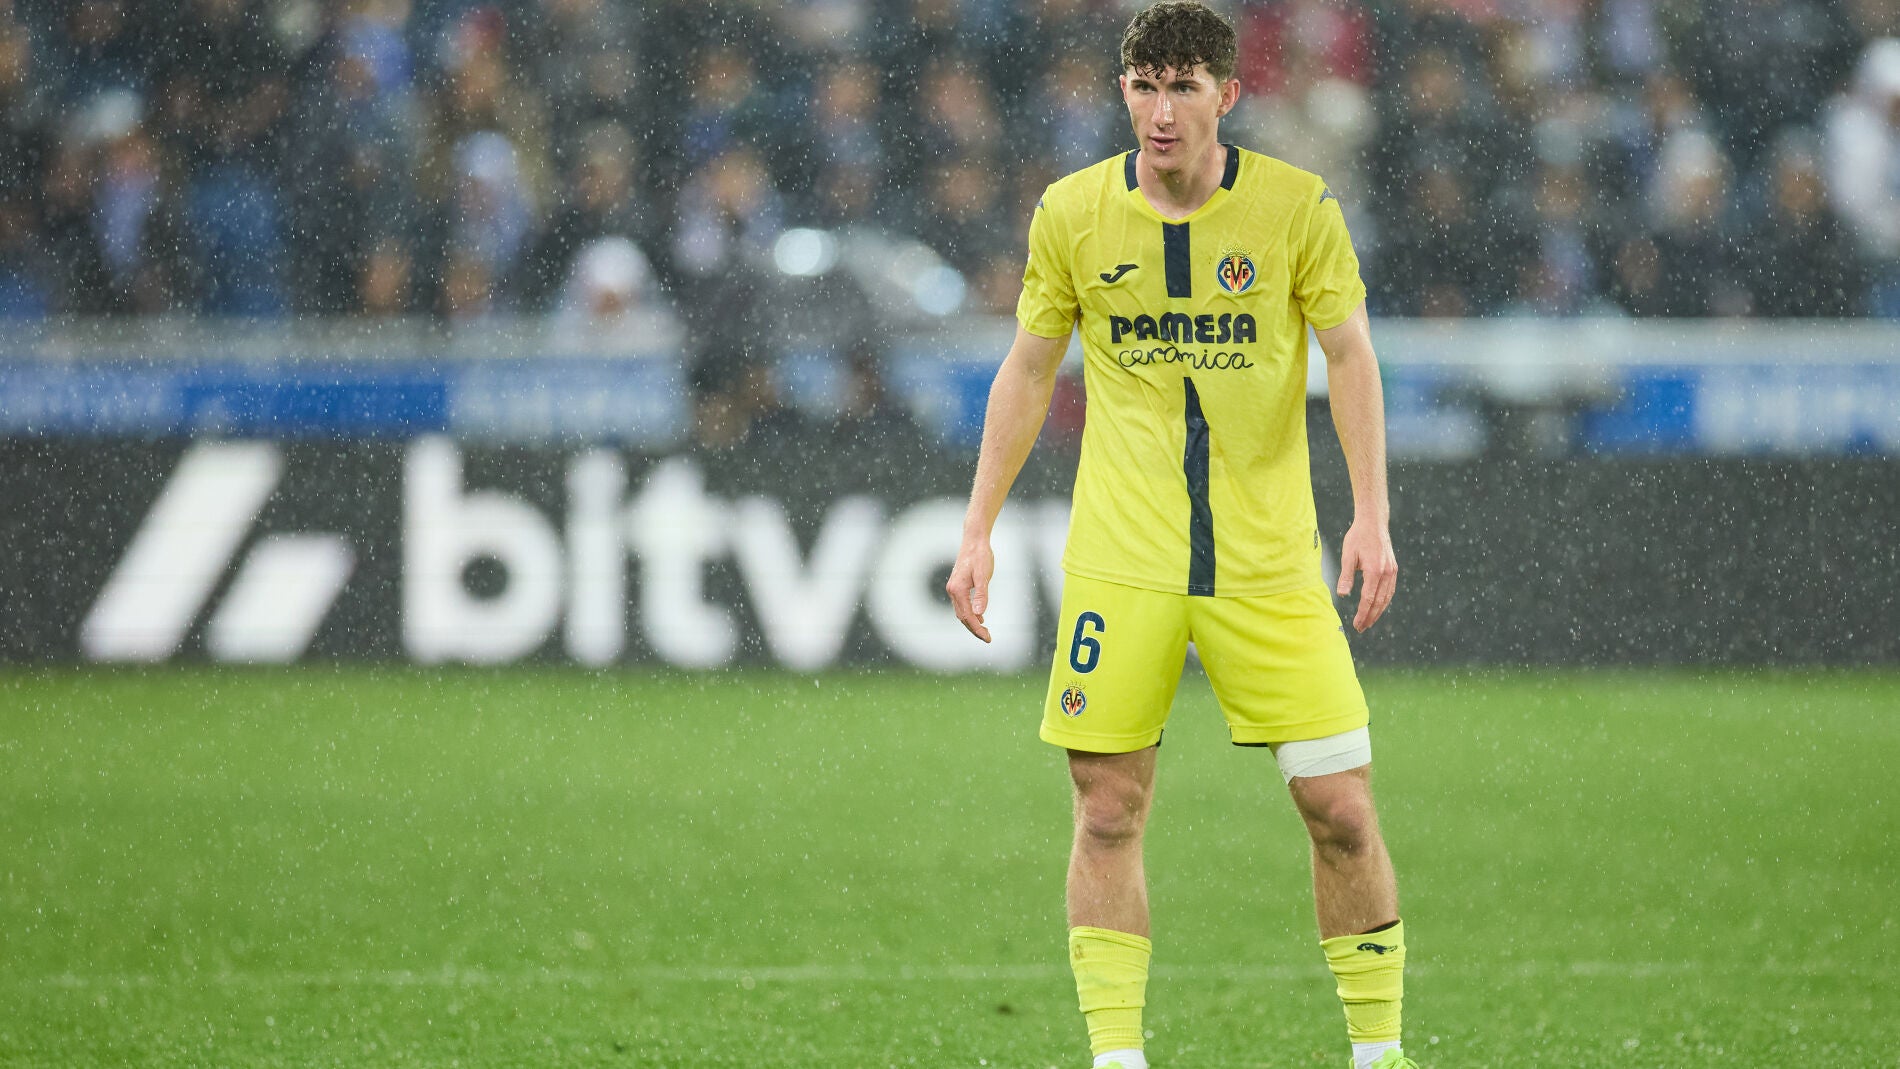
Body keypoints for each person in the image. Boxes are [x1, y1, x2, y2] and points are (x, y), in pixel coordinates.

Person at [944, 5, 1411, 1068]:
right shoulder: (1072, 213)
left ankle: (1380, 1054)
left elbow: (1348, 353)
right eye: (1145, 86)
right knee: (1107, 807)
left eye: (1184, 86)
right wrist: (977, 527)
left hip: (1268, 562)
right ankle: (1117, 1058)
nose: (1162, 110)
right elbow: (1028, 368)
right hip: (1124, 560)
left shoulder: (1296, 207)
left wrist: (1371, 514)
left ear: (1227, 96)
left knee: (1340, 807)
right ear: (1123, 92)